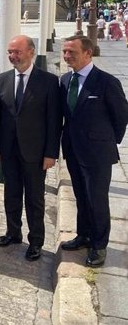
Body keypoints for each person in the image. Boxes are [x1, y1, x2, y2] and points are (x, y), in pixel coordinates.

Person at [0, 35, 61, 261]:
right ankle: (13, 232)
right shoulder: (2, 79)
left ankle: (36, 241)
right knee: (11, 194)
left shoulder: (49, 81)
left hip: (35, 153)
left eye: (17, 52)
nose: (13, 56)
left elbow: (54, 121)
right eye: (10, 52)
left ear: (31, 52)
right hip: (8, 150)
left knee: (34, 199)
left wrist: (51, 153)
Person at [59, 35, 128, 267]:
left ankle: (99, 245)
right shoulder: (65, 79)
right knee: (81, 195)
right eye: (65, 52)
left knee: (97, 199)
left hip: (97, 153)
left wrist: (107, 142)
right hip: (72, 150)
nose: (67, 56)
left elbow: (121, 117)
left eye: (72, 52)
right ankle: (83, 235)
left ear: (88, 53)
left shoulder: (107, 82)